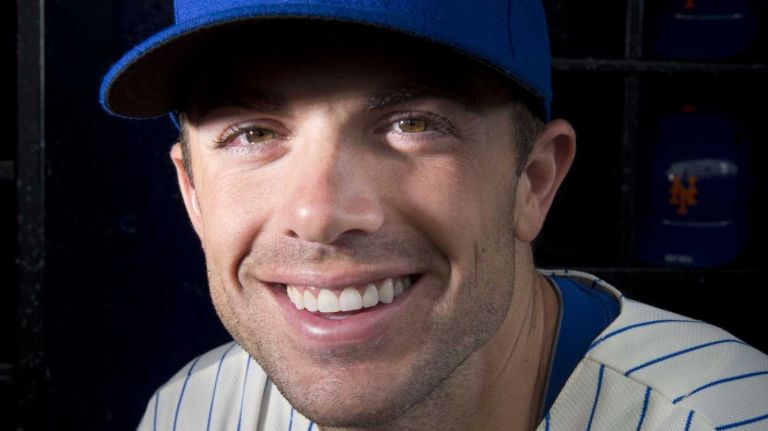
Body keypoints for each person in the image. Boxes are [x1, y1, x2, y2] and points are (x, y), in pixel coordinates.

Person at [100, 1, 768, 430]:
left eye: (413, 124)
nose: (319, 212)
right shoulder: (191, 410)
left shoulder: (734, 416)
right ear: (192, 191)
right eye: (252, 133)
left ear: (533, 181)